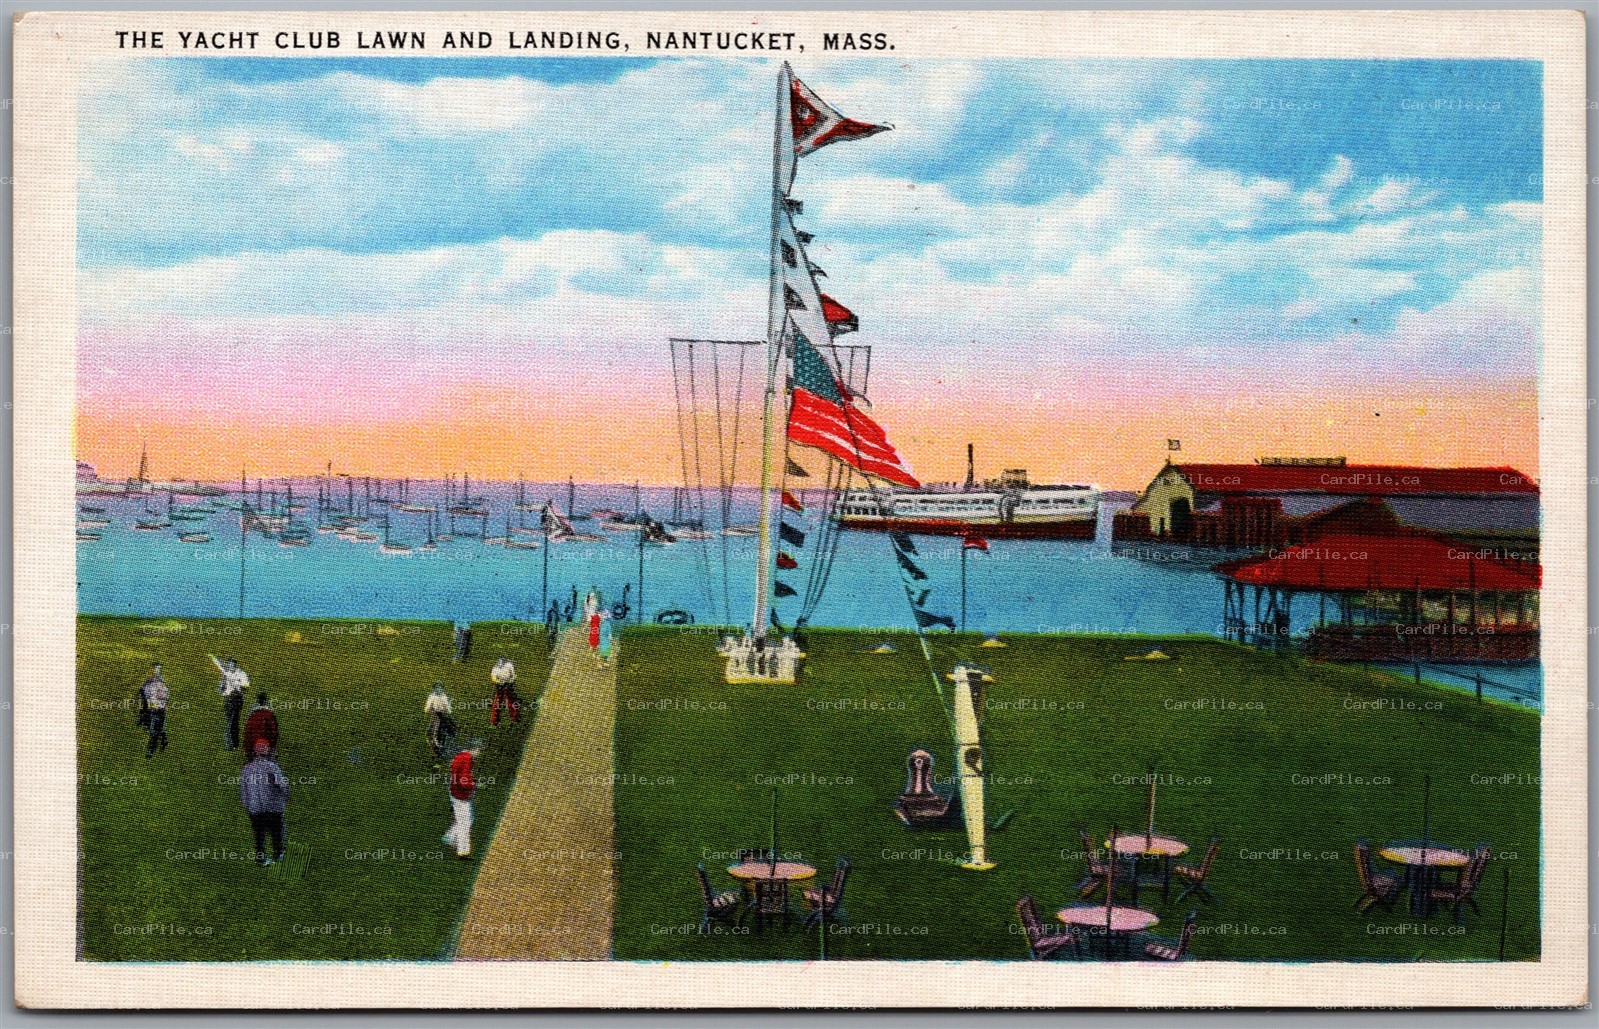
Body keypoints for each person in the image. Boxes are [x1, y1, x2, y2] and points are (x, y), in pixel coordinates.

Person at [240, 739, 289, 866]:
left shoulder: (246, 769)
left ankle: (261, 858)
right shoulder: (271, 766)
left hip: (255, 807)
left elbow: (244, 791)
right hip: (273, 806)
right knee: (276, 831)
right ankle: (278, 854)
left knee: (259, 835)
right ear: (267, 751)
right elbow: (282, 785)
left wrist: (247, 805)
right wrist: (285, 797)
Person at [443, 739, 482, 860]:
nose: (479, 753)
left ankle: (450, 836)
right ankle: (463, 851)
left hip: (454, 791)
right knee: (465, 822)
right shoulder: (467, 759)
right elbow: (463, 780)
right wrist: (473, 784)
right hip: (460, 794)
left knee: (467, 818)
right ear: (473, 749)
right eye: (478, 749)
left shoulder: (460, 756)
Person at [210, 654, 249, 751]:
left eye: (233, 665)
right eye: (230, 665)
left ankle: (233, 743)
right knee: (231, 721)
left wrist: (238, 687)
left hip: (237, 699)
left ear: (235, 665)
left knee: (234, 721)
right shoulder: (226, 672)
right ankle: (231, 743)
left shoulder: (241, 673)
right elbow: (218, 664)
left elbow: (246, 686)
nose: (231, 667)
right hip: (229, 699)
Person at [138, 663, 169, 758]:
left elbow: (164, 697)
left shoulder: (160, 686)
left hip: (159, 710)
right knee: (156, 729)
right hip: (154, 709)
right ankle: (164, 740)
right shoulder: (149, 685)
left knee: (155, 731)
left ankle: (151, 750)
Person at [424, 683, 455, 768]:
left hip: (436, 716)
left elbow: (427, 708)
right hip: (442, 716)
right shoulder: (443, 696)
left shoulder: (433, 696)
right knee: (440, 732)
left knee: (434, 734)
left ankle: (438, 752)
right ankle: (440, 747)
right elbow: (448, 709)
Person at [243, 692, 279, 761]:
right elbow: (274, 732)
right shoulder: (269, 715)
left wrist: (247, 749)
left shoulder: (253, 715)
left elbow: (248, 732)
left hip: (254, 743)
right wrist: (274, 748)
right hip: (267, 744)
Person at [489, 656, 520, 726]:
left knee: (510, 701)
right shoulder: (495, 669)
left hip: (507, 685)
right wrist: (500, 683)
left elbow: (513, 676)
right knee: (498, 702)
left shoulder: (508, 666)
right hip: (500, 686)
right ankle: (495, 720)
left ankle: (514, 718)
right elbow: (494, 678)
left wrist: (509, 683)